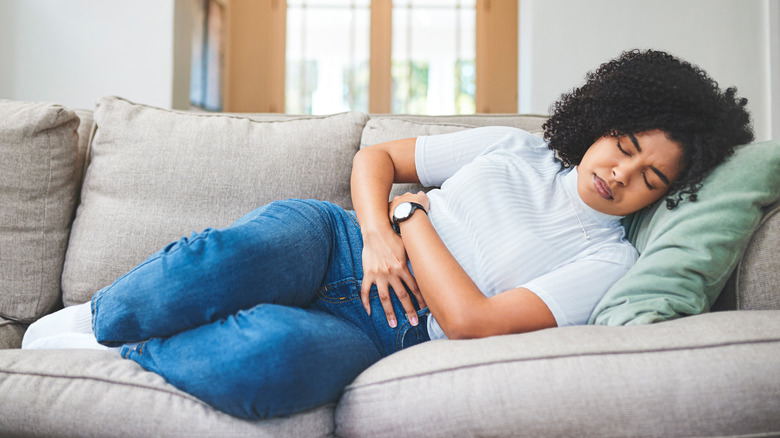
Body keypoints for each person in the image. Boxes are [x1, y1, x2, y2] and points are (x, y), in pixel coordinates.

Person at [23, 49, 753, 419]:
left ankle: (140, 349)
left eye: (652, 179)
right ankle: (99, 321)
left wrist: (412, 217)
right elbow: (377, 159)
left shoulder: (606, 260)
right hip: (339, 240)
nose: (623, 175)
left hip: (391, 329)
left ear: (666, 195)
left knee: (271, 365)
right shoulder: (515, 146)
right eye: (624, 144)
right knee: (234, 256)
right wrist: (381, 227)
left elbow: (471, 321)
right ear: (602, 124)